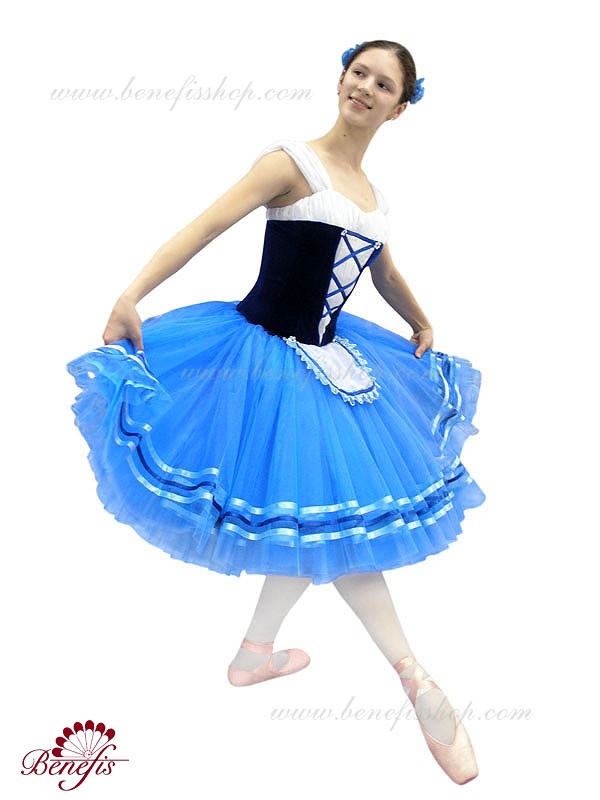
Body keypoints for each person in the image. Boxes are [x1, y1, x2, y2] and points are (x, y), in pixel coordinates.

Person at [66, 39, 485, 784]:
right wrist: (131, 295)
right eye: (359, 72)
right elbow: (204, 227)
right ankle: (413, 674)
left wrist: (420, 319)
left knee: (322, 519)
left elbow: (382, 269)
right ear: (342, 78)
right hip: (262, 364)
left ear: (400, 107)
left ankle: (255, 655)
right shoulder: (291, 162)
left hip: (334, 362)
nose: (365, 87)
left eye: (384, 84)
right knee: (334, 522)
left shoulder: (375, 195)